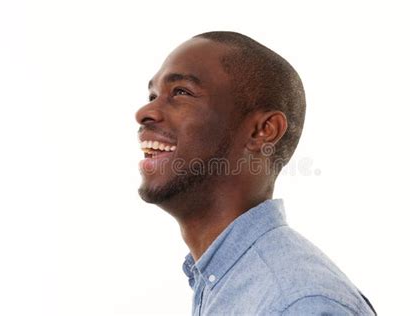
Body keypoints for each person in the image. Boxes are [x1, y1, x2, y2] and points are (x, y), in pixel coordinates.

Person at [135, 31, 376, 315]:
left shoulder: (298, 304)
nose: (145, 111)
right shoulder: (226, 283)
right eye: (152, 95)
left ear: (263, 131)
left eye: (181, 92)